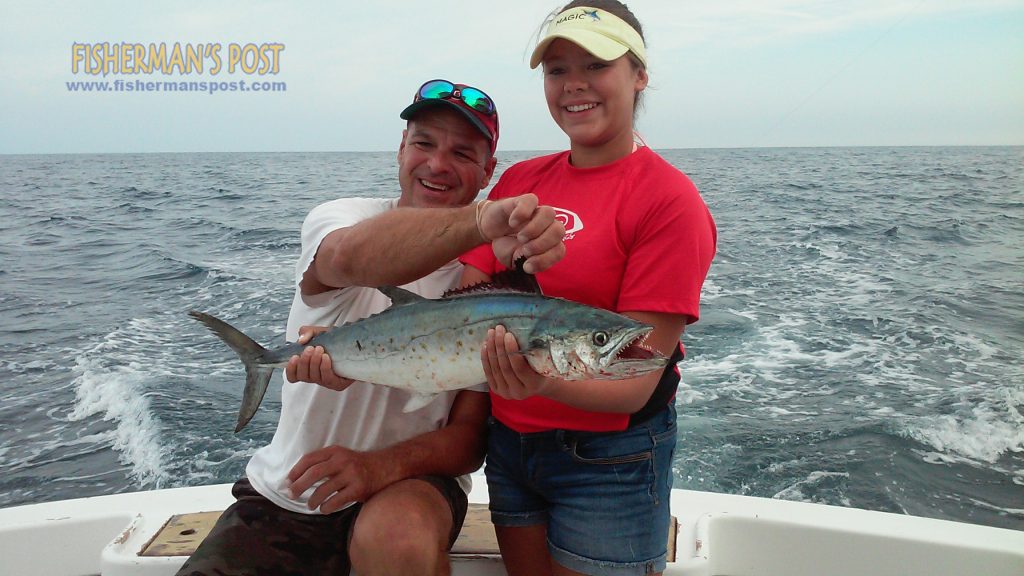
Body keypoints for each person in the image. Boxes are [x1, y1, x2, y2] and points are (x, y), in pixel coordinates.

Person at [176, 79, 565, 576]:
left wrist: (377, 467)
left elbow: (469, 438)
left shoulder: (488, 285)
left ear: (489, 171)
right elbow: (349, 257)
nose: (438, 164)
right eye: (424, 143)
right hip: (293, 491)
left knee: (396, 539)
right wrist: (483, 221)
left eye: (463, 153)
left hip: (414, 486)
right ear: (401, 148)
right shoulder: (342, 218)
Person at [459, 2, 717, 576]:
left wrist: (535, 378)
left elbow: (633, 382)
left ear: (639, 74)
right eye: (555, 69)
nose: (573, 85)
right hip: (509, 446)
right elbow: (468, 293)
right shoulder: (522, 180)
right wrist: (507, 261)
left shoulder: (669, 202)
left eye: (595, 64)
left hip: (611, 462)